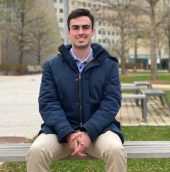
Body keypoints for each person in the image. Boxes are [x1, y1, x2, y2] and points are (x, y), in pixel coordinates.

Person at [26, 8, 127, 172]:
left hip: (99, 132)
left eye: (85, 27)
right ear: (68, 32)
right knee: (37, 151)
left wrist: (88, 131)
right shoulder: (52, 66)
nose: (81, 32)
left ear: (92, 31)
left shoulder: (109, 65)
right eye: (76, 28)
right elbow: (48, 103)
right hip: (60, 133)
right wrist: (68, 133)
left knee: (116, 150)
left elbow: (111, 103)